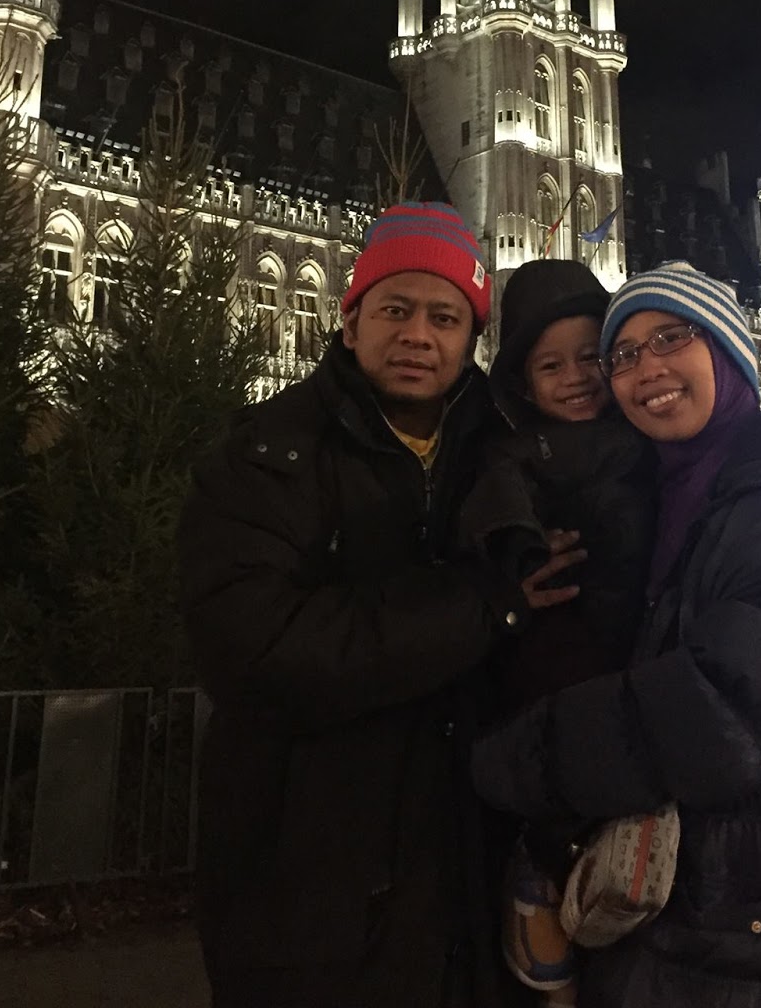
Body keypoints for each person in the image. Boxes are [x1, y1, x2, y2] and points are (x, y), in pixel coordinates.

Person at [178, 203, 582, 1008]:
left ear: (473, 339)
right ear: (350, 317)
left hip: (470, 894)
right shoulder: (264, 455)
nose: (417, 336)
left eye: (444, 318)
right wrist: (482, 607)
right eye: (395, 310)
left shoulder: (509, 456)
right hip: (308, 903)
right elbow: (256, 652)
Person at [473, 261, 761, 1008]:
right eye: (625, 355)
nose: (647, 368)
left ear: (729, 352)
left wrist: (519, 762)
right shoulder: (662, 490)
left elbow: (722, 709)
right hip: (683, 916)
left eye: (672, 337)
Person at [461, 259, 655, 1007]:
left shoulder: (652, 442)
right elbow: (492, 514)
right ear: (522, 381)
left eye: (588, 357)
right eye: (551, 365)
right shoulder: (513, 458)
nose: (575, 377)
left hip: (634, 696)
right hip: (554, 693)